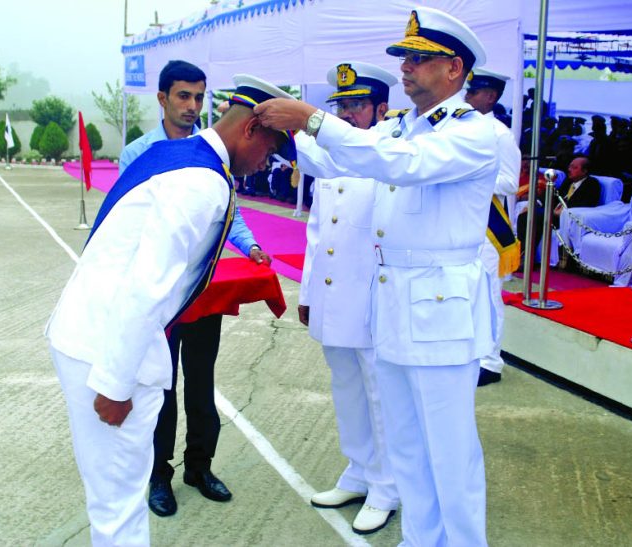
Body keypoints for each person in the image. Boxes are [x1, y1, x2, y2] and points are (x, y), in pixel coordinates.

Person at [255, 7, 497, 545]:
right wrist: (288, 129)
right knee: (409, 449)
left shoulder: (473, 133)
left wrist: (314, 118)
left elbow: (403, 165)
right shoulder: (404, 129)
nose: (406, 68)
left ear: (454, 69)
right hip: (392, 303)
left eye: (419, 59)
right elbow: (346, 164)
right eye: (405, 59)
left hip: (439, 309)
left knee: (449, 453)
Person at [46, 74, 296, 545]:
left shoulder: (180, 156)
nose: (269, 162)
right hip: (110, 351)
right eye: (272, 149)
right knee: (118, 504)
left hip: (89, 334)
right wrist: (116, 384)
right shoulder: (201, 183)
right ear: (251, 131)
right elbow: (147, 286)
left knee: (112, 498)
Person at [118, 61, 273, 518]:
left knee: (200, 386)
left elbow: (231, 212)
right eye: (183, 96)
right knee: (160, 389)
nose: (191, 106)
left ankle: (199, 467)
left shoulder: (213, 150)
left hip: (203, 290)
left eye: (199, 97)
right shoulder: (140, 153)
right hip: (160, 296)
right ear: (162, 98)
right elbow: (129, 218)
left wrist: (251, 246)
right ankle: (158, 475)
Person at [298, 61, 399, 535]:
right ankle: (358, 471)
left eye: (358, 105)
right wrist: (307, 291)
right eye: (342, 105)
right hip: (334, 293)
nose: (348, 114)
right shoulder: (331, 153)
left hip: (372, 296)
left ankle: (387, 485)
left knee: (380, 393)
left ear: (381, 108)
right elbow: (318, 231)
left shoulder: (390, 150)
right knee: (347, 388)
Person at [464, 68, 522, 387]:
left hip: (488, 227)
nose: (467, 97)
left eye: (473, 93)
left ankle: (490, 361)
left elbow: (511, 183)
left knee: (487, 295)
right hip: (463, 221)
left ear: (490, 96)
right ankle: (472, 353)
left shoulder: (499, 134)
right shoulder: (462, 128)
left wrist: (471, 178)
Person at [516, 156, 601, 259]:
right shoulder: (569, 181)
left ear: (584, 171)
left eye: (574, 167)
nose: (569, 170)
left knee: (534, 217)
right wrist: (536, 203)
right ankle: (522, 253)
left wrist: (564, 211)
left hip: (567, 217)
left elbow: (587, 204)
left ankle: (528, 258)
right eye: (570, 166)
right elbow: (552, 194)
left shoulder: (592, 184)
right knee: (525, 215)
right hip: (553, 212)